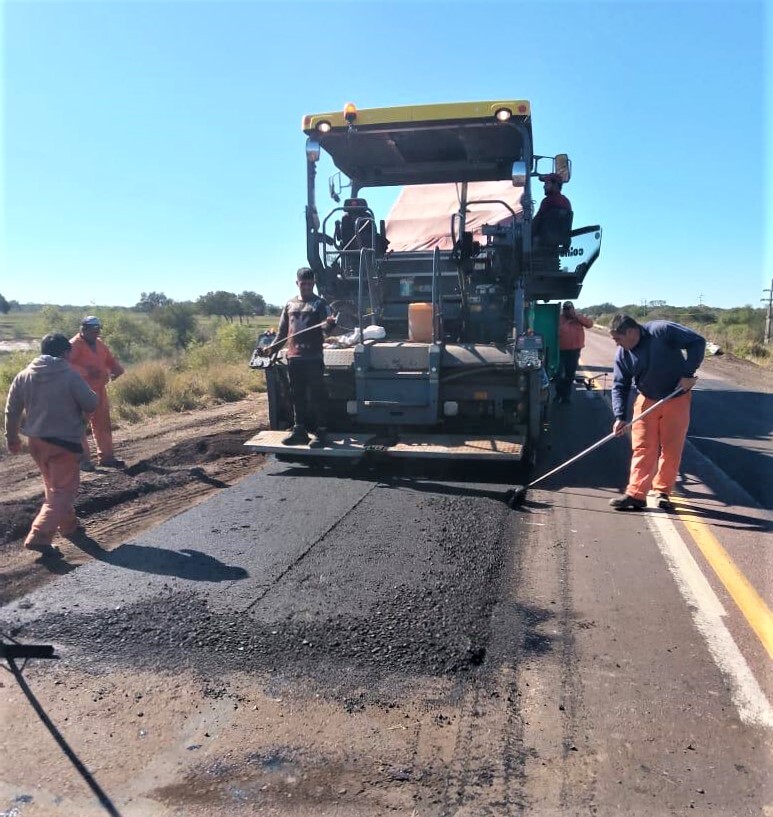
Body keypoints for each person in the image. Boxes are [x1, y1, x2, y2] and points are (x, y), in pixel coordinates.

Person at [4, 333, 98, 555]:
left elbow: (12, 411)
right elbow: (91, 402)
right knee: (64, 490)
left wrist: (12, 438)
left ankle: (69, 527)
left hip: (36, 443)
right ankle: (39, 535)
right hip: (63, 443)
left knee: (54, 487)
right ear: (65, 352)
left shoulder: (23, 375)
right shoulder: (69, 375)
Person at [608, 314, 705, 511]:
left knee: (671, 448)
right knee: (643, 447)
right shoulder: (623, 355)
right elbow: (619, 385)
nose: (617, 344)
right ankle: (636, 494)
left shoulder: (662, 330)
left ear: (631, 332)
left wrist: (688, 373)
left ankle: (662, 492)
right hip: (646, 400)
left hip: (676, 398)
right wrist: (619, 417)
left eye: (618, 338)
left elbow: (697, 342)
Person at [260, 268, 336, 447]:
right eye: (303, 284)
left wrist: (330, 324)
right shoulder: (289, 305)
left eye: (310, 284)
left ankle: (321, 432)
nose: (307, 287)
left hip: (313, 357)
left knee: (318, 394)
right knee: (296, 395)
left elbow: (326, 328)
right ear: (297, 284)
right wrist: (271, 350)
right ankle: (299, 430)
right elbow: (281, 334)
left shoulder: (320, 304)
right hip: (294, 358)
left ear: (314, 284)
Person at [69, 316, 125, 470]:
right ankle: (83, 461)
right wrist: (85, 372)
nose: (96, 333)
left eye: (98, 330)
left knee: (103, 424)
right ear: (83, 329)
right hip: (81, 392)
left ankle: (107, 457)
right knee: (79, 426)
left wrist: (117, 369)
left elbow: (110, 360)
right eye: (93, 330)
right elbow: (64, 364)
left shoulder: (99, 344)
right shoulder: (73, 345)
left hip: (99, 389)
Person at [556, 301, 593, 404]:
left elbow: (590, 324)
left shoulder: (579, 318)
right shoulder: (560, 319)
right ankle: (559, 393)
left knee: (570, 374)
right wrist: (568, 322)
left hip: (575, 351)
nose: (568, 311)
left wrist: (578, 318)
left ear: (573, 309)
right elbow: (558, 331)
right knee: (558, 374)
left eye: (569, 309)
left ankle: (566, 397)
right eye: (566, 309)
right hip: (561, 351)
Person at [531, 173, 572, 248]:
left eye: (547, 183)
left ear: (555, 185)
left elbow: (535, 223)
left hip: (540, 245)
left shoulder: (547, 201)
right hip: (554, 249)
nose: (544, 186)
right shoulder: (566, 202)